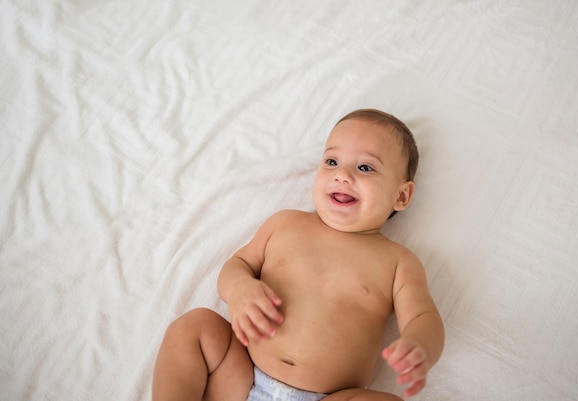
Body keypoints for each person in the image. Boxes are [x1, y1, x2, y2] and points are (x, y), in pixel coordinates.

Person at [152, 109, 445, 401]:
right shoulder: (285, 224)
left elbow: (422, 316)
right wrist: (240, 288)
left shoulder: (397, 262)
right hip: (240, 374)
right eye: (332, 161)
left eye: (365, 168)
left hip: (330, 395)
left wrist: (420, 345)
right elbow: (238, 264)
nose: (342, 175)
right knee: (195, 326)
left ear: (401, 196)